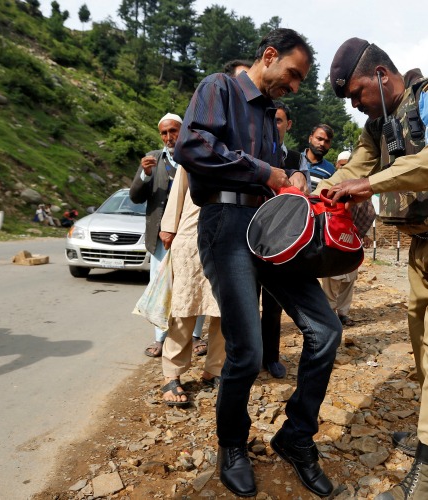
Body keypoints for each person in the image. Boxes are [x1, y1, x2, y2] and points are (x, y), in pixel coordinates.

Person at [320, 38, 428, 499]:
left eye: (357, 93)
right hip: (422, 246)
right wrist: (306, 190)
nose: (356, 106)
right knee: (422, 345)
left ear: (380, 74)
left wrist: (370, 183)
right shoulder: (378, 126)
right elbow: (349, 171)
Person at [174, 28, 340, 498]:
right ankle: (232, 444)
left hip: (272, 228)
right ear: (269, 56)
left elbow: (281, 170)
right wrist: (265, 172)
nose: (293, 87)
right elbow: (193, 148)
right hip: (226, 222)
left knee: (326, 330)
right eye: (292, 74)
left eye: (299, 81)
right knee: (246, 350)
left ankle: (296, 437)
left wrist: (297, 178)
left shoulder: (270, 117)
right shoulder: (218, 88)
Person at [157, 168, 224, 406]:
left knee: (224, 311)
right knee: (184, 307)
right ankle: (171, 374)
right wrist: (169, 227)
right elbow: (179, 188)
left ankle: (214, 370)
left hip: (230, 235)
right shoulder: (198, 141)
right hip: (191, 235)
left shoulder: (246, 142)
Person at [258, 100, 308, 380]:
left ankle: (271, 357)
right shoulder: (255, 152)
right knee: (247, 299)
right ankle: (247, 356)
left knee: (274, 301)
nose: (274, 125)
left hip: (282, 236)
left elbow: (304, 192)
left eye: (279, 120)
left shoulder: (296, 158)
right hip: (253, 231)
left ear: (288, 125)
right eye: (270, 120)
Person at [130, 112, 183, 358]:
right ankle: (160, 339)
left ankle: (194, 337)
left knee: (192, 283)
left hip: (188, 235)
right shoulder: (152, 159)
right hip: (160, 238)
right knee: (159, 286)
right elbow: (136, 197)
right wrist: (145, 175)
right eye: (164, 132)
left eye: (173, 131)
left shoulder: (193, 158)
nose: (169, 137)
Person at [321, 150, 375, 328]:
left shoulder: (359, 188)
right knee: (332, 279)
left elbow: (367, 212)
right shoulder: (331, 188)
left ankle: (343, 313)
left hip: (353, 240)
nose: (346, 169)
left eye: (348, 165)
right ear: (337, 166)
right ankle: (329, 314)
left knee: (349, 278)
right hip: (334, 240)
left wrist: (364, 233)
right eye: (342, 166)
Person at [303, 124, 335, 191]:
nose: (322, 144)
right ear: (310, 138)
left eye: (327, 141)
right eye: (319, 139)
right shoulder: (295, 160)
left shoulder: (331, 170)